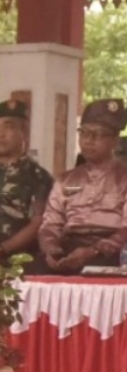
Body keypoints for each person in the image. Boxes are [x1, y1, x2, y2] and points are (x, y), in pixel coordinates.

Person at [38, 99, 127, 273]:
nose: (89, 140)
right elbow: (50, 224)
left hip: (111, 251)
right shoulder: (65, 179)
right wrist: (51, 248)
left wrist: (94, 250)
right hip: (69, 246)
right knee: (27, 272)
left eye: (98, 134)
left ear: (114, 140)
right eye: (84, 133)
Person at [0, 99, 53, 264]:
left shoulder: (38, 177)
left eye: (8, 127)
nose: (1, 133)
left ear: (24, 132)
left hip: (17, 261)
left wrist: (4, 248)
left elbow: (38, 222)